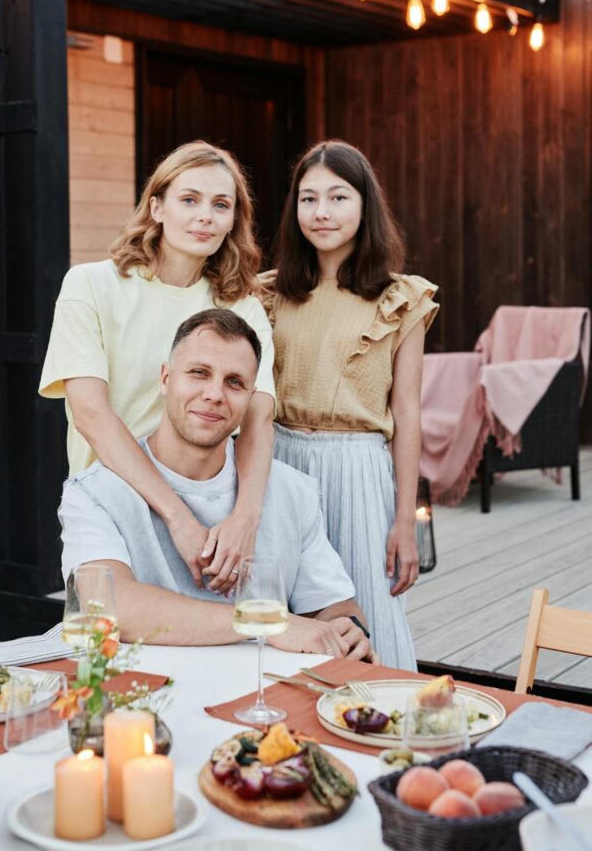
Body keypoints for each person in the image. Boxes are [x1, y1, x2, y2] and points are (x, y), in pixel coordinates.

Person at [59, 309, 377, 661]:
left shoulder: (292, 492)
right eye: (199, 373)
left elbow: (335, 606)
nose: (214, 394)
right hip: (143, 698)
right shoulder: (94, 493)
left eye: (234, 382)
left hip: (264, 699)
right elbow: (105, 605)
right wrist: (267, 621)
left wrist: (348, 630)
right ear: (166, 379)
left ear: (250, 397)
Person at [40, 141, 275, 596]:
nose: (205, 216)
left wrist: (246, 516)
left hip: (213, 515)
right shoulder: (90, 286)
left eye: (220, 205)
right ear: (157, 207)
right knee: (116, 649)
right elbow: (90, 413)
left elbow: (258, 419)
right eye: (189, 199)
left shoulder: (243, 308)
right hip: (113, 506)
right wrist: (175, 517)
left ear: (233, 221)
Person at [259, 140, 438, 670]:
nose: (322, 212)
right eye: (308, 199)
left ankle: (382, 728)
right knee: (287, 611)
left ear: (365, 205)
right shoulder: (266, 294)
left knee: (366, 610)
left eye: (338, 197)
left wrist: (405, 520)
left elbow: (407, 416)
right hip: (279, 463)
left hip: (358, 468)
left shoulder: (401, 297)